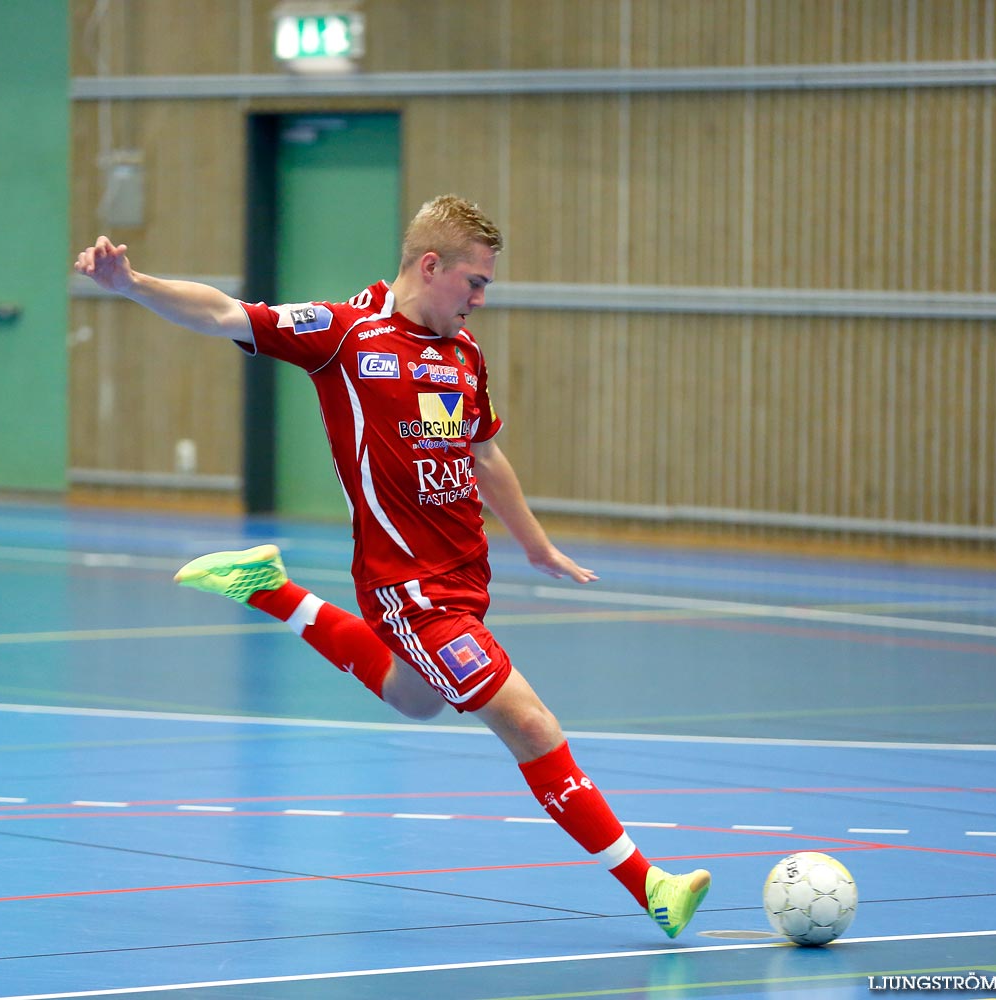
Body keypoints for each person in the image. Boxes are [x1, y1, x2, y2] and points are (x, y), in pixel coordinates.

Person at [74, 194, 710, 938]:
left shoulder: (462, 354)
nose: (480, 299)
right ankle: (651, 886)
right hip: (408, 590)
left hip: (464, 581)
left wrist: (534, 544)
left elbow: (482, 453)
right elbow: (223, 313)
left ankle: (272, 589)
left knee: (415, 699)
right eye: (475, 282)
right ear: (429, 265)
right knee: (530, 724)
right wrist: (134, 285)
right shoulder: (345, 334)